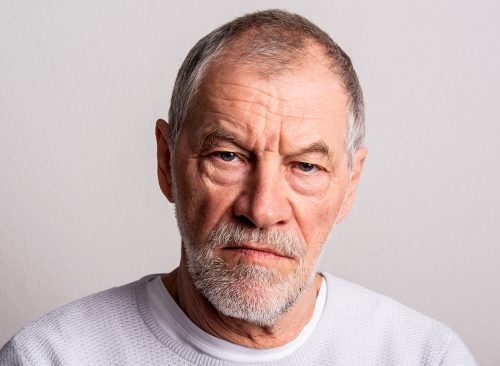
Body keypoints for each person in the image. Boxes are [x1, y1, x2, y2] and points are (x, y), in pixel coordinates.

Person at [0, 9, 477, 366]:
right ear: (167, 162)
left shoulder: (425, 357)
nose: (263, 209)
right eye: (227, 156)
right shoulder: (51, 357)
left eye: (306, 166)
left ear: (350, 185)